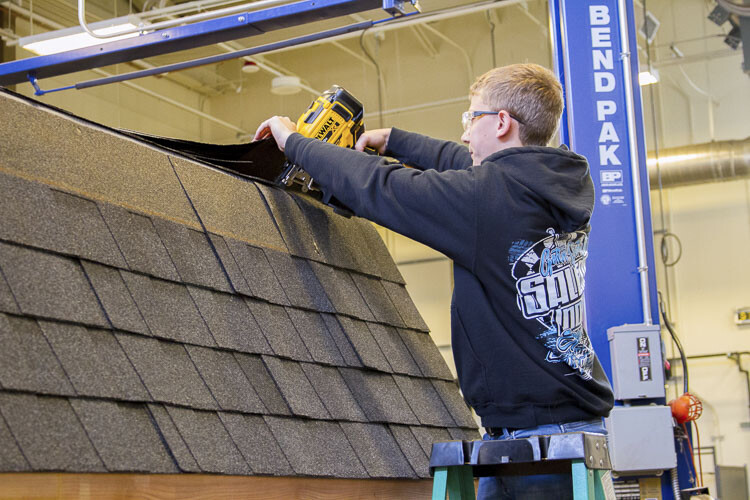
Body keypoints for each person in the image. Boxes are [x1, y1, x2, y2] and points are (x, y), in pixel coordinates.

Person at [254, 63, 614, 499]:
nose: (464, 133)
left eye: (471, 118)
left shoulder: (487, 200)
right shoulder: (554, 183)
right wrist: (394, 141)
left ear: (501, 123)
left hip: (541, 444)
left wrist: (296, 143)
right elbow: (464, 163)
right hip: (560, 424)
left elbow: (381, 186)